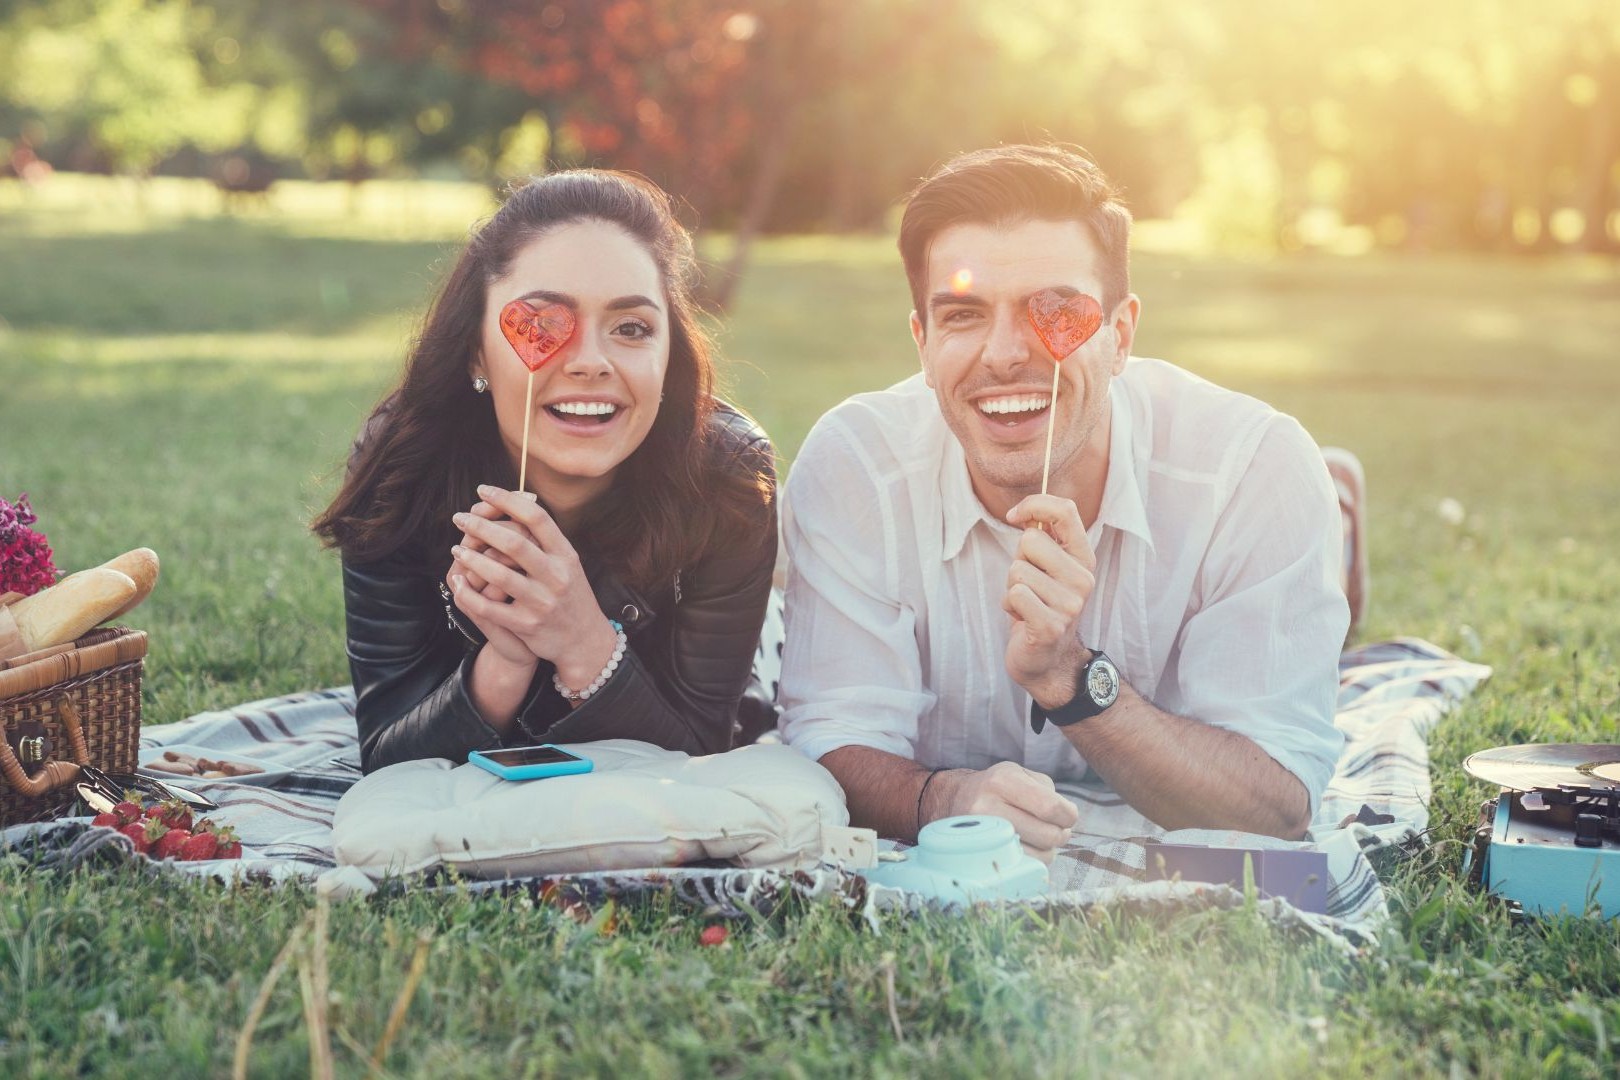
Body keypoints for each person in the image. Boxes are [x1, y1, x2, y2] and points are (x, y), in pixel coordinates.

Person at [778, 145, 1353, 859]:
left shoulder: (1252, 470)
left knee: (1322, 561)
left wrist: (1070, 677)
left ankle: (1338, 515)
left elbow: (1276, 807)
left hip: (1259, 507)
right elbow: (828, 740)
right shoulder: (854, 467)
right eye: (963, 315)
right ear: (922, 344)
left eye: (1053, 311)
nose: (1004, 355)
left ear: (1120, 336)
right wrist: (943, 798)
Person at [313, 170, 777, 773]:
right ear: (477, 348)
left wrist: (583, 641)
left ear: (668, 352)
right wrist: (505, 659)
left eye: (631, 328)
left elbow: (702, 752)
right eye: (542, 324)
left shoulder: (728, 477)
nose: (590, 362)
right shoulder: (404, 467)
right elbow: (387, 752)